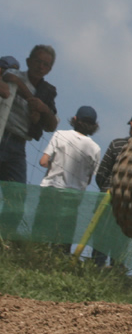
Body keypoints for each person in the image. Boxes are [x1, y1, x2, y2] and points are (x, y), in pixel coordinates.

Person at [0, 45, 58, 237]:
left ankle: (6, 238)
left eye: (46, 65)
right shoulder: (14, 74)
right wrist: (29, 97)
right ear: (28, 61)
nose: (40, 67)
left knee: (17, 197)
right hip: (2, 133)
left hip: (18, 145)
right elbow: (9, 81)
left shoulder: (47, 92)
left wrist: (43, 109)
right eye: (37, 61)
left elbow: (51, 124)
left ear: (49, 69)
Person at [32, 105, 101, 253]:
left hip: (51, 190)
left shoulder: (60, 135)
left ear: (75, 119)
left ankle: (35, 256)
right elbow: (89, 178)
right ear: (94, 126)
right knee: (63, 237)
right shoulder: (95, 149)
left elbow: (43, 161)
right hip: (73, 196)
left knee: (40, 231)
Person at [92, 110, 132, 266]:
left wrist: (106, 188)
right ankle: (115, 274)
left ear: (131, 124)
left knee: (100, 241)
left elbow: (101, 174)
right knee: (120, 246)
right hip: (130, 207)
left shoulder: (117, 144)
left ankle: (94, 269)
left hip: (107, 200)